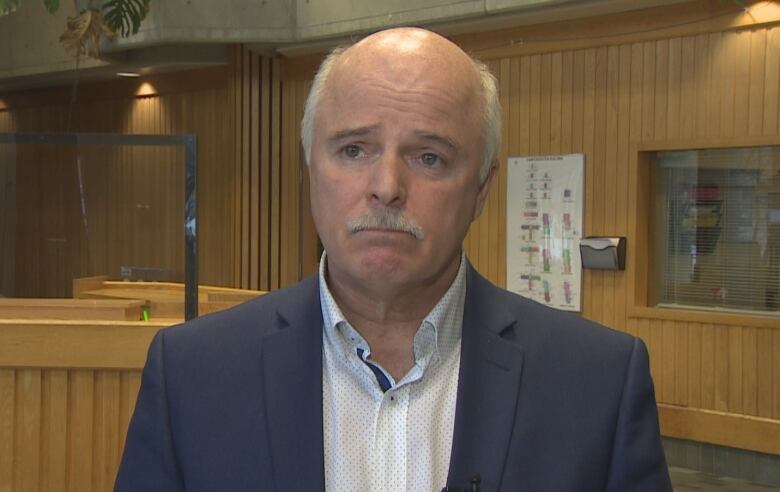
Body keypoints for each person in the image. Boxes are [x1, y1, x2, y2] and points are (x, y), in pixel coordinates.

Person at [115, 27, 672, 491]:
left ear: (481, 188)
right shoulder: (192, 374)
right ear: (312, 169)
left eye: (429, 157)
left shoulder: (598, 382)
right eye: (354, 149)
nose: (385, 187)